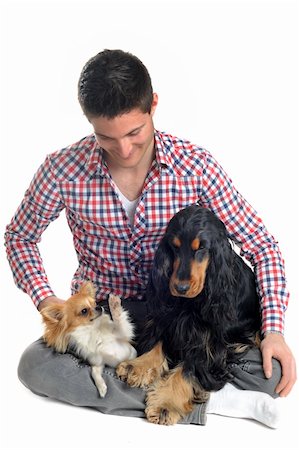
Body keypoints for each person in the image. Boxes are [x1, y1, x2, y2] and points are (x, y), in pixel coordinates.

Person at [5, 49, 296, 428]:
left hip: (187, 315)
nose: (124, 150)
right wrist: (47, 299)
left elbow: (262, 246)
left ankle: (176, 378)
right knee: (34, 366)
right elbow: (19, 237)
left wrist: (273, 330)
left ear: (153, 105)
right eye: (106, 137)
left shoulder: (195, 166)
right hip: (109, 319)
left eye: (134, 132)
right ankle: (211, 400)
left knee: (272, 374)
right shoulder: (62, 170)